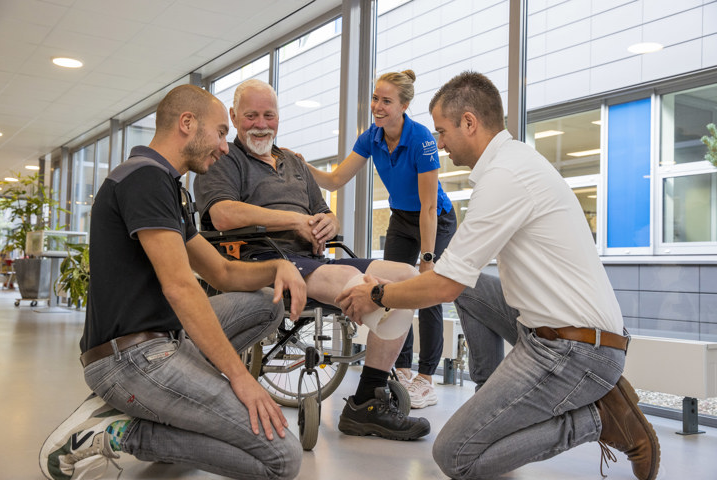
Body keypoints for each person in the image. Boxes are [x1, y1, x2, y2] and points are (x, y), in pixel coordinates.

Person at [336, 71, 660, 480]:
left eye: (443, 131)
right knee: (470, 291)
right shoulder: (513, 161)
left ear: (469, 122)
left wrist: (377, 295)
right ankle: (489, 394)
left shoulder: (505, 178)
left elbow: (443, 285)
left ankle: (598, 420)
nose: (439, 144)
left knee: (455, 456)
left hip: (576, 351)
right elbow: (457, 280)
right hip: (555, 331)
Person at [39, 84, 308, 480]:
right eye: (220, 132)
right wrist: (240, 379)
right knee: (282, 460)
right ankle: (120, 433)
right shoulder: (144, 179)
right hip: (129, 360)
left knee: (266, 302)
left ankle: (172, 407)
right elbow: (180, 288)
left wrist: (277, 268)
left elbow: (222, 273)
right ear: (187, 123)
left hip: (165, 341)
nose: (225, 147)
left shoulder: (168, 186)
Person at [193, 79, 430, 441]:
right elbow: (222, 214)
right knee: (354, 278)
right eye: (252, 115)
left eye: (269, 115)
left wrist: (328, 222)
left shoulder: (294, 162)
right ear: (234, 116)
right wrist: (294, 221)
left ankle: (367, 400)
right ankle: (374, 327)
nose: (261, 124)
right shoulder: (225, 159)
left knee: (407, 277)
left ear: (278, 117)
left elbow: (324, 212)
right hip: (265, 260)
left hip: (313, 259)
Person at [304, 70, 456, 409]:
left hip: (435, 219)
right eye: (375, 98)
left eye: (386, 101)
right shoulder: (371, 138)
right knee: (395, 289)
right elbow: (335, 180)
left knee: (427, 291)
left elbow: (429, 207)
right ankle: (402, 370)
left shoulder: (422, 140)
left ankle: (426, 379)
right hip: (402, 218)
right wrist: (302, 165)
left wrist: (428, 259)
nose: (377, 106)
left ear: (404, 106)